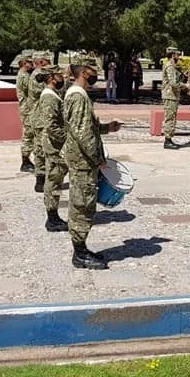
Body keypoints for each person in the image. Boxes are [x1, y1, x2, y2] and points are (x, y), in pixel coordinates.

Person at [63, 60, 121, 270]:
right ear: (86, 72)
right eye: (94, 70)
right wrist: (98, 158)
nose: (97, 73)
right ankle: (79, 253)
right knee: (82, 204)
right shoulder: (78, 96)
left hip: (82, 160)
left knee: (84, 202)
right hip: (83, 162)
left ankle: (81, 248)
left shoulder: (77, 94)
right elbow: (82, 133)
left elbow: (87, 127)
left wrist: (106, 128)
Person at [35, 65, 69, 233]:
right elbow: (51, 126)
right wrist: (67, 140)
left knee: (55, 179)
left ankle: (53, 215)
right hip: (54, 145)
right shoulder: (48, 97)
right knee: (53, 180)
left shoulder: (53, 94)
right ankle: (52, 217)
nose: (62, 77)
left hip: (55, 144)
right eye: (59, 75)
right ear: (50, 78)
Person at [24, 53, 51, 186]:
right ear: (41, 61)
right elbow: (45, 90)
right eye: (47, 60)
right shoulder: (37, 75)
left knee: (46, 148)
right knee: (40, 148)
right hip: (39, 117)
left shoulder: (43, 74)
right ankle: (40, 178)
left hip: (44, 116)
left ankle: (45, 176)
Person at [161, 47, 187, 149]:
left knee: (172, 117)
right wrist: (185, 86)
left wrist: (183, 76)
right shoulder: (170, 66)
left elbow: (176, 79)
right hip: (170, 95)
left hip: (173, 95)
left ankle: (169, 138)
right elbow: (173, 83)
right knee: (170, 118)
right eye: (178, 54)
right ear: (173, 55)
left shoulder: (173, 66)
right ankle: (167, 140)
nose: (179, 56)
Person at [16, 53, 35, 172]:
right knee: (28, 134)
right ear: (23, 63)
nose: (31, 65)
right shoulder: (24, 76)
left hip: (27, 108)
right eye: (29, 62)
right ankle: (25, 160)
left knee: (29, 133)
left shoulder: (25, 75)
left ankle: (26, 159)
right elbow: (32, 90)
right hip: (27, 109)